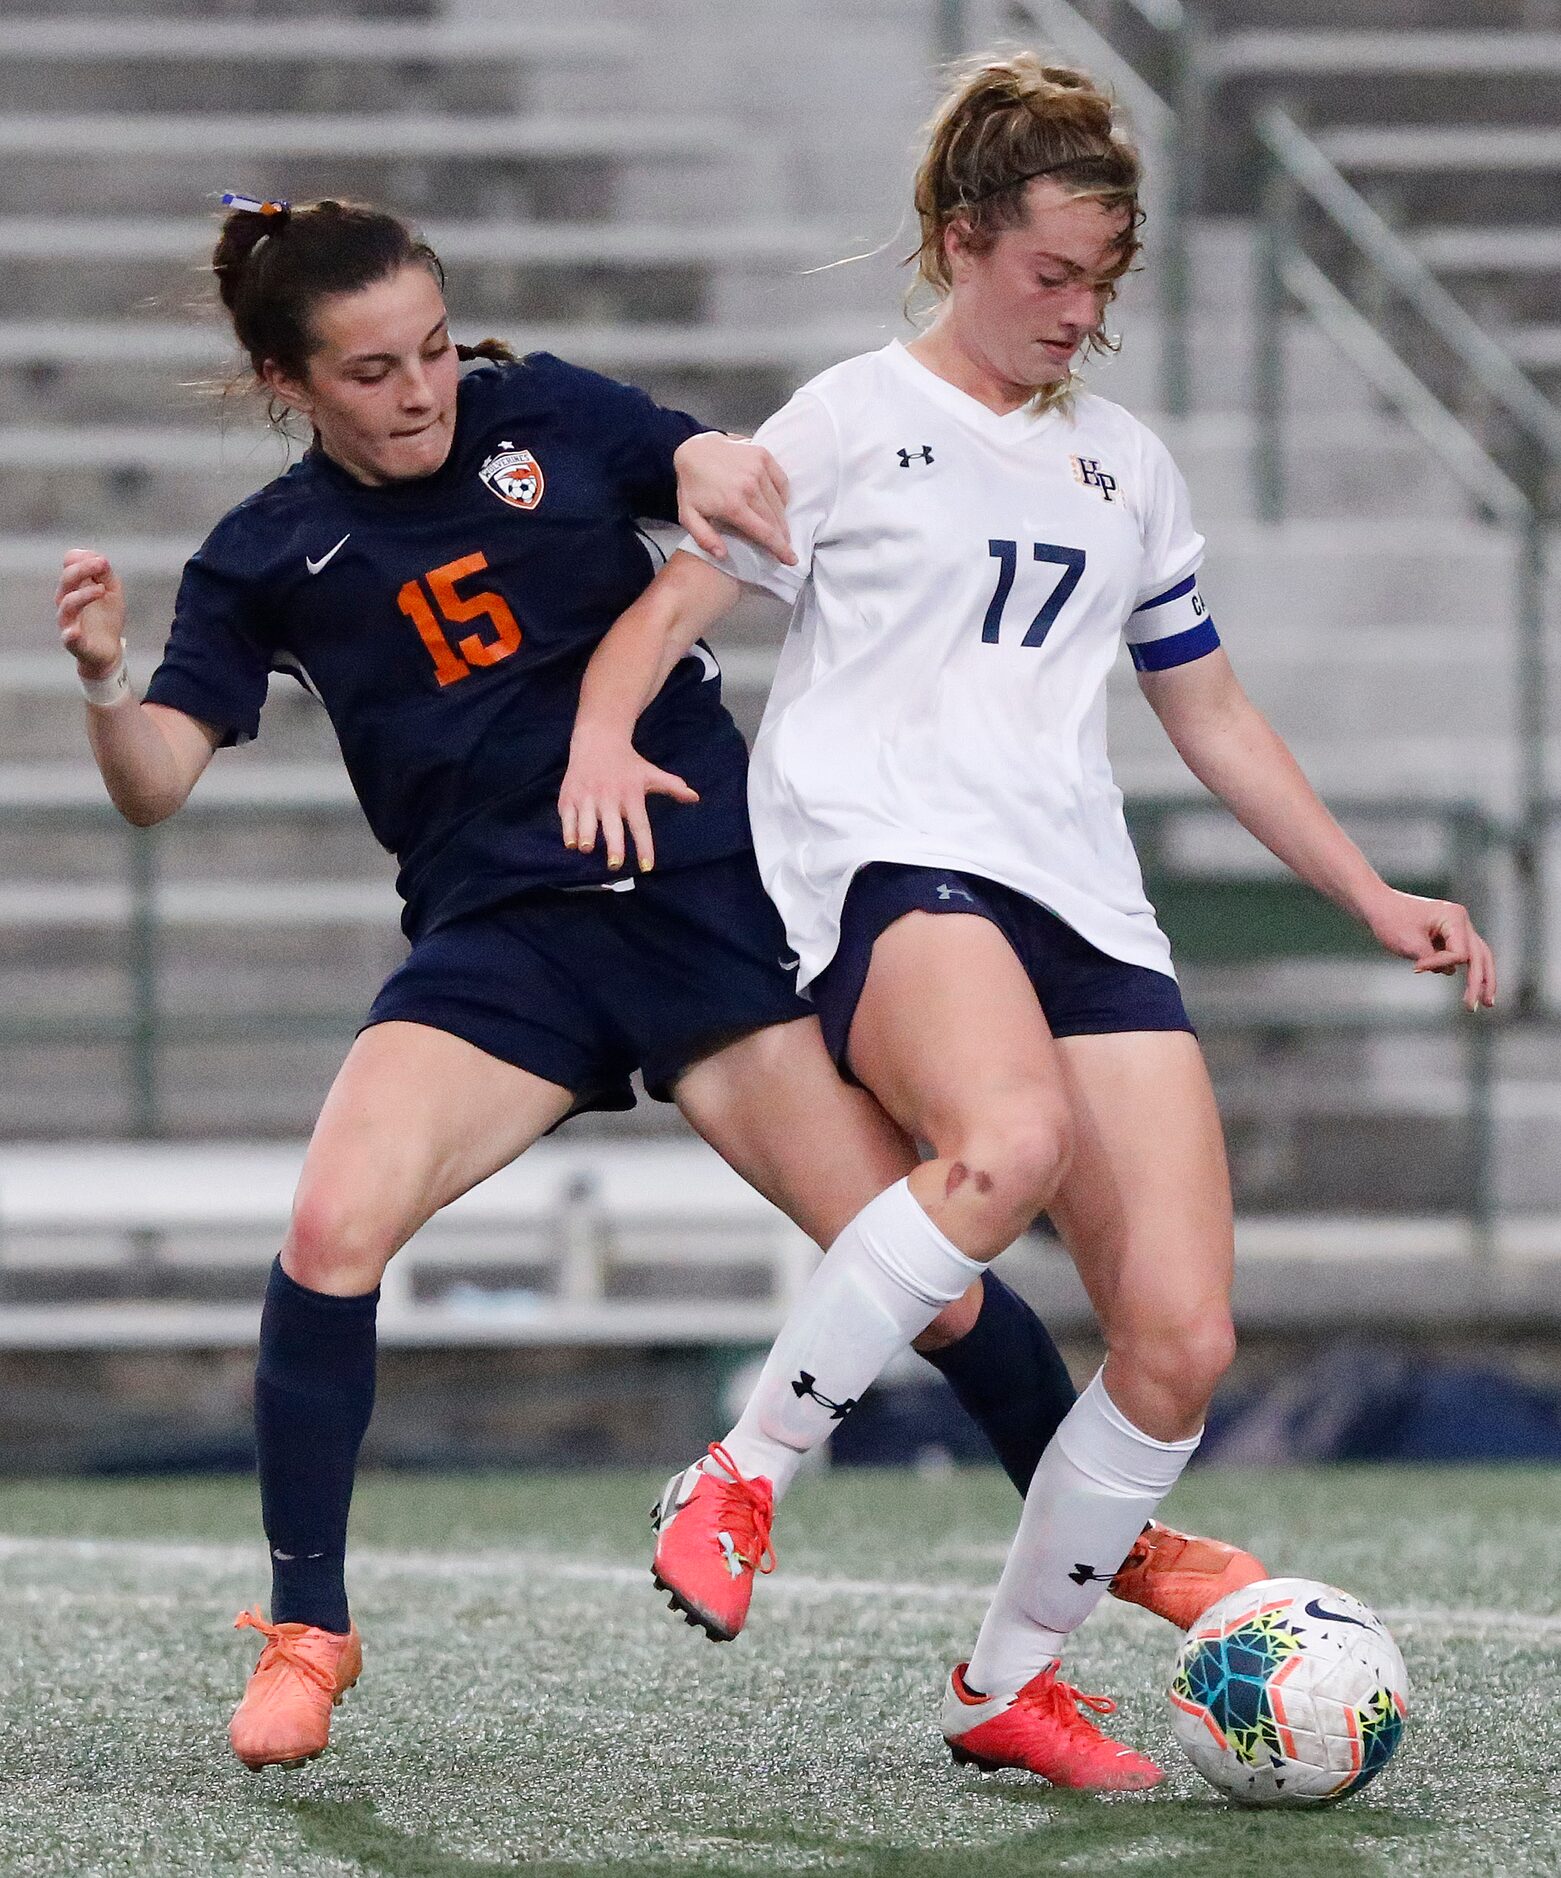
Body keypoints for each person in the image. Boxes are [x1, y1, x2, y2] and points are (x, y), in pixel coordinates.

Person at [53, 193, 1240, 1775]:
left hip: (698, 897)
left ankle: (1115, 1544)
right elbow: (153, 781)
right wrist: (100, 683)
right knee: (331, 1231)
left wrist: (722, 466)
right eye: (369, 372)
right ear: (287, 381)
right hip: (501, 942)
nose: (419, 392)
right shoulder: (263, 556)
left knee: (933, 1278)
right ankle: (306, 1628)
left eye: (430, 349)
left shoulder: (540, 406)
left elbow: (699, 466)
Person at [557, 53, 1496, 1792]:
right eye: (1048, 275)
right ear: (957, 240)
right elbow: (671, 605)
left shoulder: (1125, 467)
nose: (1078, 311)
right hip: (888, 860)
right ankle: (748, 1463)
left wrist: (1369, 890)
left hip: (1076, 887)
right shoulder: (840, 418)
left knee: (1179, 1339)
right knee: (1003, 1138)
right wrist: (605, 731)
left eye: (1102, 281)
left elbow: (1207, 711)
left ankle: (1005, 1681)